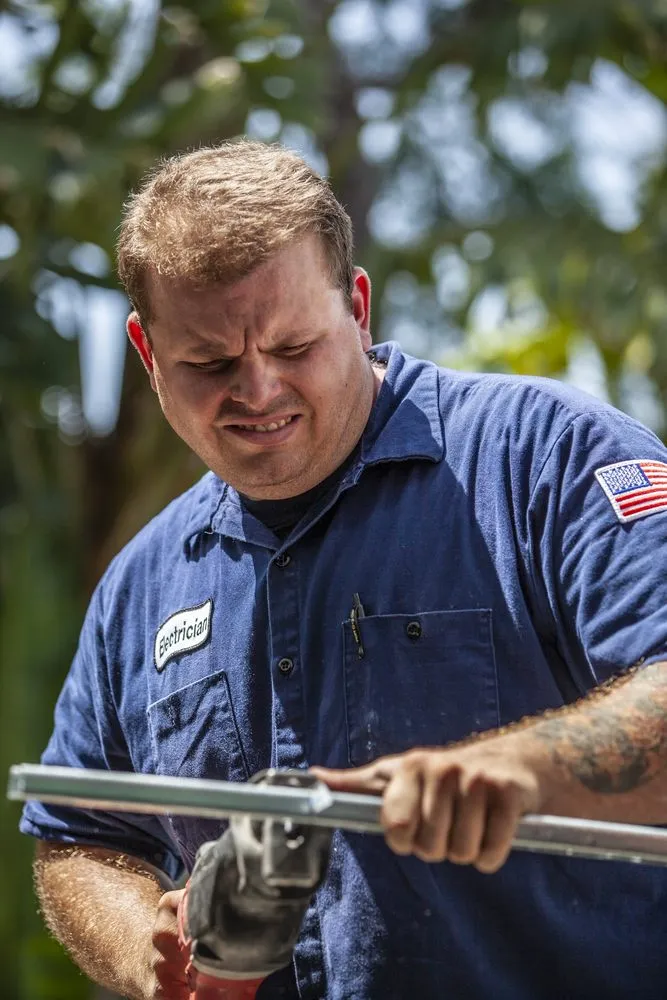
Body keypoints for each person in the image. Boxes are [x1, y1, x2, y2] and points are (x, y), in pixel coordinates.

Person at [21, 139, 667, 1000]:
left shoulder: (545, 459)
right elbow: (78, 836)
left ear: (356, 307)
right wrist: (144, 946)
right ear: (147, 352)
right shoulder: (141, 587)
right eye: (210, 364)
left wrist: (520, 770)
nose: (256, 390)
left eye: (293, 345)